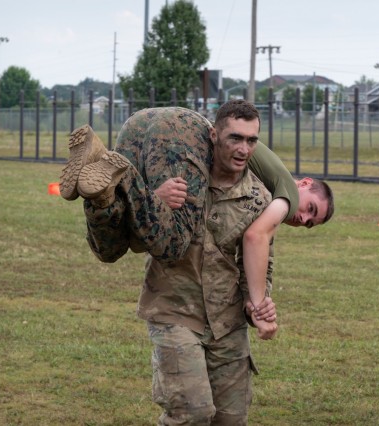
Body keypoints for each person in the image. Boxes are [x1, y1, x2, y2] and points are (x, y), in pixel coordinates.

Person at [68, 100, 273, 423]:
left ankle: (105, 191)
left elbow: (260, 262)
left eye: (251, 140)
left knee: (231, 420)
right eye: (235, 138)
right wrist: (155, 200)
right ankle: (104, 192)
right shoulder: (179, 174)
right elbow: (139, 242)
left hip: (228, 325)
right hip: (175, 313)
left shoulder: (258, 198)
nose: (243, 148)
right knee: (191, 415)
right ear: (213, 135)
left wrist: (256, 304)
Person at [60, 105, 334, 335]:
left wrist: (153, 200)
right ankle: (121, 172)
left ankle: (100, 176)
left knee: (112, 247)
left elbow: (137, 242)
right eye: (310, 207)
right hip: (181, 131)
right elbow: (256, 237)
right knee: (175, 244)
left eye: (310, 222)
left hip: (140, 124)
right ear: (305, 183)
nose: (302, 217)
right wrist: (260, 303)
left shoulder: (260, 194)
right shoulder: (287, 198)